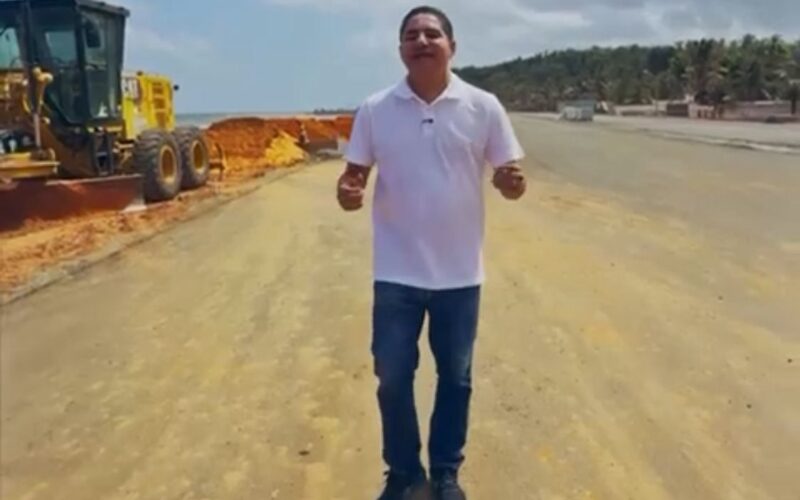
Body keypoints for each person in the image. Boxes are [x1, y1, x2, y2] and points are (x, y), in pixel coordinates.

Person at [337, 6, 526, 500]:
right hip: (395, 272)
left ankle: (445, 474)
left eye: (432, 33)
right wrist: (347, 191)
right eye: (411, 35)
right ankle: (404, 474)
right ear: (400, 49)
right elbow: (353, 176)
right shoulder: (376, 109)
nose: (421, 40)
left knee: (456, 379)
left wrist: (511, 184)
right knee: (392, 377)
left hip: (460, 275)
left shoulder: (483, 106)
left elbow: (512, 178)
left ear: (451, 46)